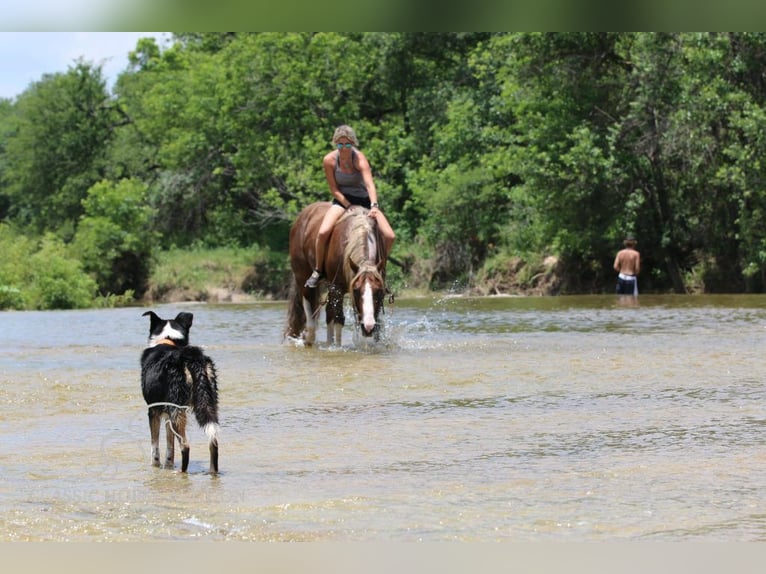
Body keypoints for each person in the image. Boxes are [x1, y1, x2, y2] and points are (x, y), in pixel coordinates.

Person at [305, 124, 395, 288]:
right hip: (343, 201)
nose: (344, 148)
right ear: (335, 144)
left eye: (348, 144)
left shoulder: (359, 159)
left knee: (390, 236)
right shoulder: (329, 160)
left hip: (365, 200)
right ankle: (318, 270)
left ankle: (379, 269)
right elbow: (334, 189)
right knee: (323, 232)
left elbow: (369, 184)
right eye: (340, 144)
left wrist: (374, 205)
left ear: (353, 144)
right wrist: (348, 205)